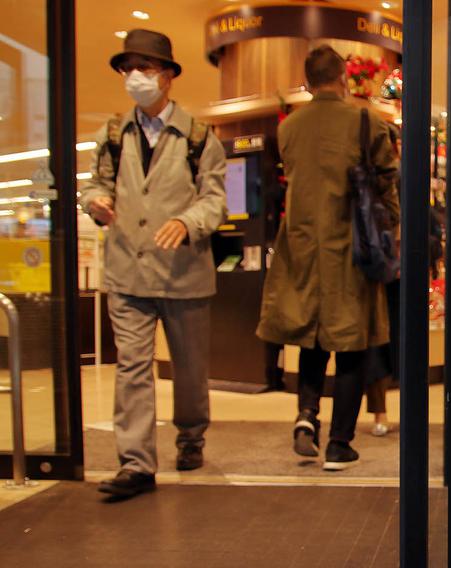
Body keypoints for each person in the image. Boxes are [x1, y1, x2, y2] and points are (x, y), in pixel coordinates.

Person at [81, 29, 227, 498]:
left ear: (167, 76)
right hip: (127, 272)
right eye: (129, 69)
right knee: (132, 368)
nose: (135, 77)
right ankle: (136, 463)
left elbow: (216, 200)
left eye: (145, 68)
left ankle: (190, 437)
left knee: (188, 370)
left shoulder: (200, 137)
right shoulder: (112, 135)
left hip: (183, 275)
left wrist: (188, 221)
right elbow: (93, 186)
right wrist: (96, 202)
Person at [257, 45, 399, 470]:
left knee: (311, 337)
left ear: (307, 82)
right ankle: (339, 443)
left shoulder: (289, 128)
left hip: (300, 248)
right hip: (350, 249)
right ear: (342, 78)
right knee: (352, 347)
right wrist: (389, 224)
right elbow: (388, 183)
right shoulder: (365, 121)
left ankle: (306, 418)